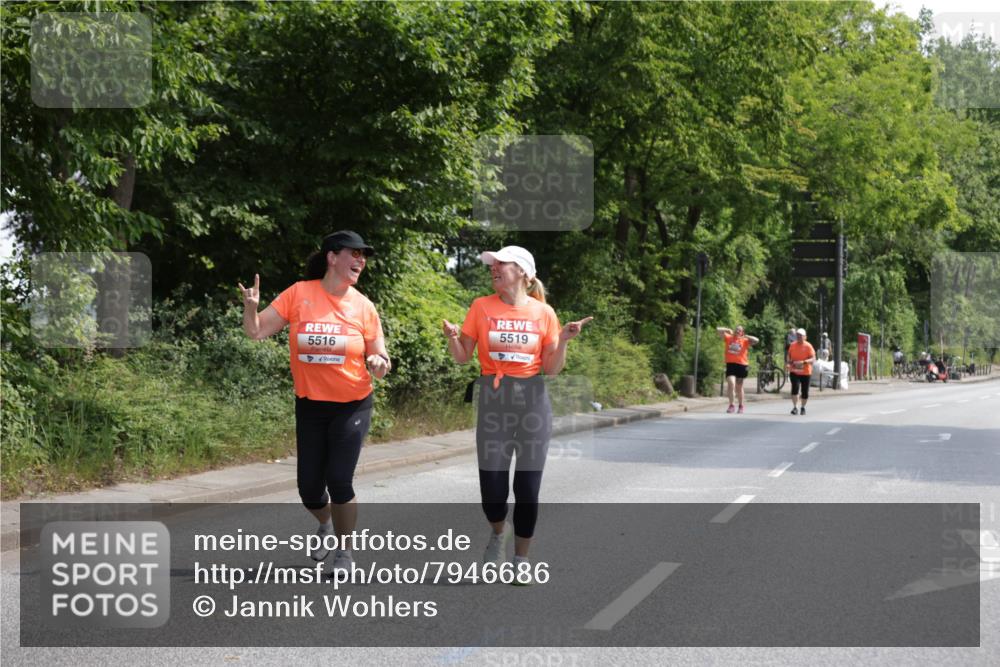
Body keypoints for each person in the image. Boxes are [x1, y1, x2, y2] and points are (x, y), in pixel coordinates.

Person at [238, 230, 390, 580]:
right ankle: (325, 523)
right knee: (308, 489)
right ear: (332, 257)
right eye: (354, 253)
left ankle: (345, 551)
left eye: (363, 255)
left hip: (353, 404)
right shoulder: (299, 294)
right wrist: (250, 308)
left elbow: (379, 352)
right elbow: (256, 331)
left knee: (339, 480)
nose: (360, 260)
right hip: (310, 405)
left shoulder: (364, 306)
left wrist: (380, 362)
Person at [441, 246, 591, 584]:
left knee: (527, 488)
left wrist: (564, 340)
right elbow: (464, 356)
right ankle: (498, 532)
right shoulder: (481, 307)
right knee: (492, 490)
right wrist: (452, 339)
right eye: (491, 265)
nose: (493, 268)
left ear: (523, 272)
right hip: (494, 399)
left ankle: (521, 559)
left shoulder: (544, 313)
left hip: (532, 402)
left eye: (500, 264)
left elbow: (551, 369)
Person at [715, 325, 759, 414]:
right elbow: (718, 330)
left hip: (742, 365)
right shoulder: (729, 337)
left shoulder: (745, 340)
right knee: (731, 383)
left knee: (739, 387)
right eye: (736, 329)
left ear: (742, 332)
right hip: (731, 364)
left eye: (740, 330)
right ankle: (731, 405)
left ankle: (741, 405)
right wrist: (728, 329)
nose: (737, 331)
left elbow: (756, 340)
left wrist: (747, 336)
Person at [786, 328, 816, 415]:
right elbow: (789, 355)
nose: (798, 337)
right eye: (797, 335)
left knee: (805, 392)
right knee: (795, 388)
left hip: (806, 372)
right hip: (794, 371)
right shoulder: (792, 345)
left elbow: (813, 358)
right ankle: (795, 407)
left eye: (800, 335)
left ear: (805, 337)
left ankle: (803, 407)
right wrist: (788, 362)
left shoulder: (808, 346)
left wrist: (804, 362)